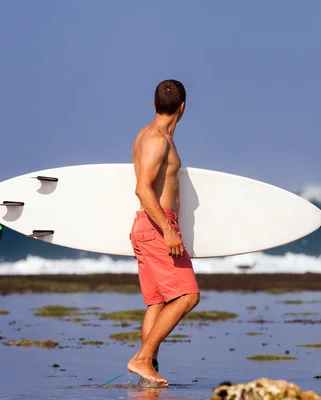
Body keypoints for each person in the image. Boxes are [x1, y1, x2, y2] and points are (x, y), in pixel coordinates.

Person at [127, 79, 201, 386]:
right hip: (158, 225)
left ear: (154, 103)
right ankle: (142, 359)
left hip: (145, 226)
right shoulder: (157, 139)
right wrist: (170, 231)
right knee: (188, 295)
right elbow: (143, 189)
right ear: (183, 107)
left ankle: (149, 372)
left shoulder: (147, 135)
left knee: (157, 302)